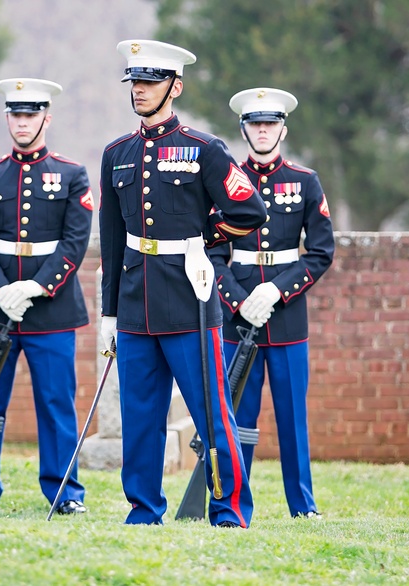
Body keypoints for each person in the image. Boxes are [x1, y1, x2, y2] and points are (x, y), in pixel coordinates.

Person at [99, 40, 267, 527]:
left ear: (176, 87)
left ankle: (230, 509)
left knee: (213, 415)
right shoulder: (117, 153)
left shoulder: (203, 149)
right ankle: (143, 511)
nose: (140, 91)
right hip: (135, 303)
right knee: (140, 418)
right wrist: (110, 315)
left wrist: (203, 239)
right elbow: (112, 240)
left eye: (150, 82)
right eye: (135, 82)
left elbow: (249, 210)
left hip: (189, 298)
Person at [0, 78, 93, 515]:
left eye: (31, 114)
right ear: (7, 119)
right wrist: (0, 290)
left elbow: (75, 243)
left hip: (51, 308)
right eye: (15, 115)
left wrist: (35, 286)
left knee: (56, 405)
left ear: (46, 118)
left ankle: (64, 492)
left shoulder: (72, 175)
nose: (22, 122)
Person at [209, 88, 335, 518]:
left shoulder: (304, 181)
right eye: (255, 124)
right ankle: (233, 505)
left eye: (270, 123)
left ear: (283, 128)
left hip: (286, 317)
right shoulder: (223, 179)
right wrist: (238, 300)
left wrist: (276, 291)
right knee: (237, 420)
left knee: (292, 420)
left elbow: (320, 252)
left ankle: (303, 506)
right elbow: (211, 252)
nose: (263, 131)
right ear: (243, 130)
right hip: (236, 316)